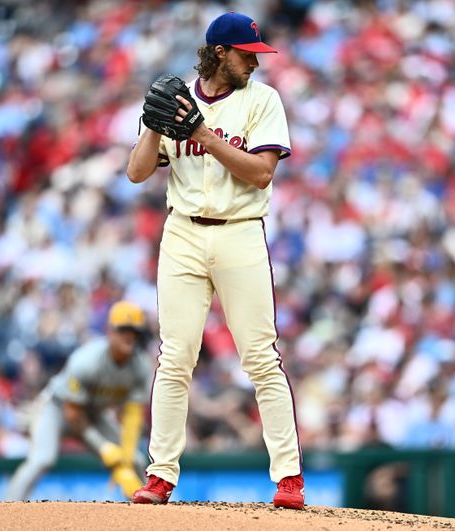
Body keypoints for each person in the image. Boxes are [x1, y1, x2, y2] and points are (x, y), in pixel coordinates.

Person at [126, 12, 304, 509]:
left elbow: (261, 173)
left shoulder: (263, 100)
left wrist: (203, 135)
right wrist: (150, 125)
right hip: (182, 233)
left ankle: (288, 478)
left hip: (240, 234)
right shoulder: (177, 97)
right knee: (175, 356)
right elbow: (138, 173)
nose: (255, 60)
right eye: (247, 53)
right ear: (220, 53)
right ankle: (160, 476)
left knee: (260, 357)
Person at [6, 301, 152, 501]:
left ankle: (149, 519)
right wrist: (102, 447)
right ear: (110, 331)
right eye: (123, 329)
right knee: (42, 459)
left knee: (135, 460)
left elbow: (132, 416)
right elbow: (73, 415)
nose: (129, 336)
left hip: (94, 413)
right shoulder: (86, 360)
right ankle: (7, 507)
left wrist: (124, 461)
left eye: (134, 331)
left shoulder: (141, 366)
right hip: (57, 408)